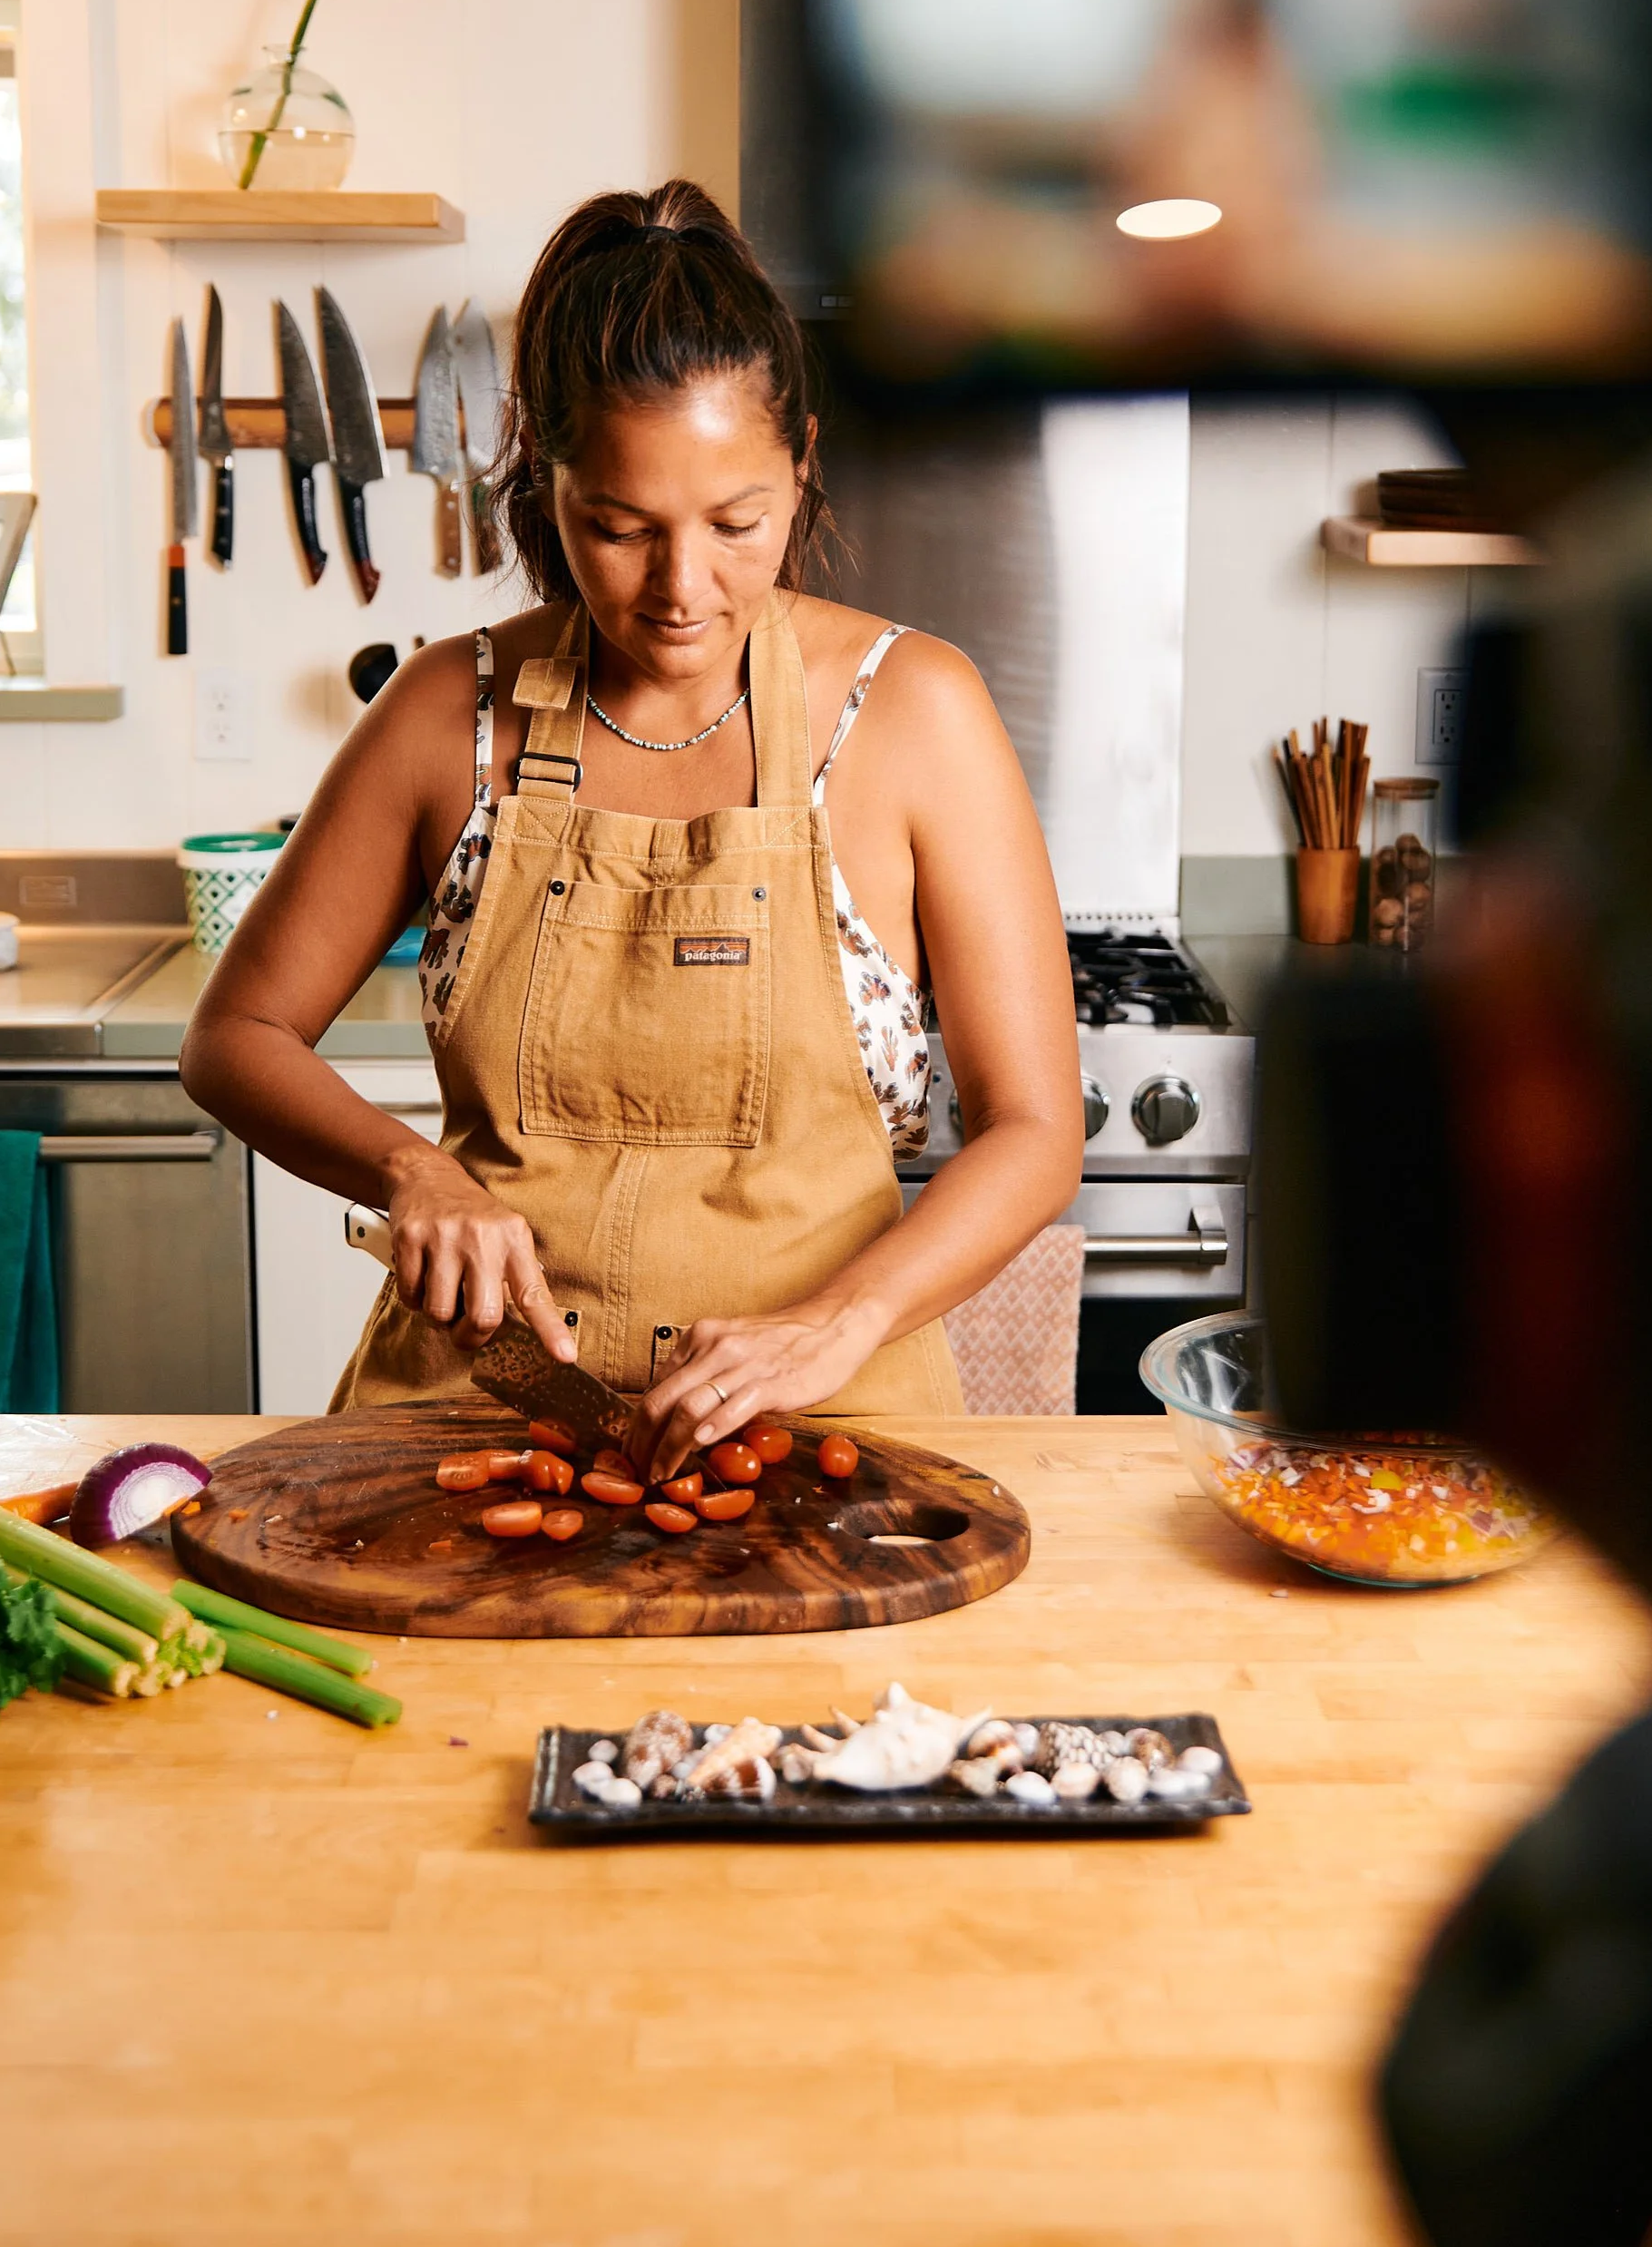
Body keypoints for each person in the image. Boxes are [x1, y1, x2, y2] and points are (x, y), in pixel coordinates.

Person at [181, 180, 1082, 1478]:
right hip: (473, 1423)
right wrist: (411, 1176)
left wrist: (838, 1323)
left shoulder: (912, 713)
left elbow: (1035, 1129)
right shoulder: (450, 713)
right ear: (543, 481)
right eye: (617, 527)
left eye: (736, 525)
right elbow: (233, 1038)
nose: (680, 589)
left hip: (822, 1428)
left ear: (802, 463)